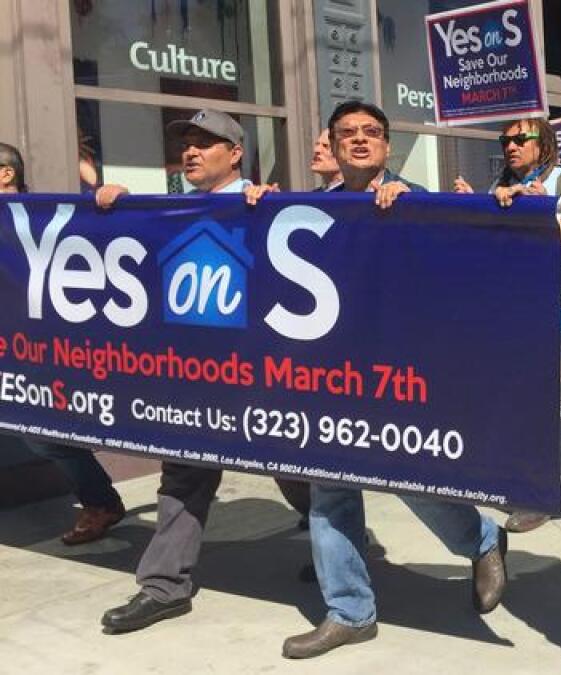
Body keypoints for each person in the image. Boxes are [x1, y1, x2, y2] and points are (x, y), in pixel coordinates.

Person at [253, 102, 508, 660]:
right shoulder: (310, 207)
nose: (360, 140)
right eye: (348, 133)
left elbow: (462, 266)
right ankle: (350, 611)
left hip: (399, 376)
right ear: (334, 145)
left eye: (371, 133)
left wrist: (417, 213)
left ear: (388, 147)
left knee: (413, 480)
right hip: (331, 377)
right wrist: (255, 209)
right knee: (329, 491)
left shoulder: (415, 197)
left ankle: (483, 540)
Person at [96, 109, 312, 633]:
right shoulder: (168, 210)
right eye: (186, 143)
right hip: (193, 376)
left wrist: (269, 208)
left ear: (235, 153)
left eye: (205, 142)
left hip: (260, 375)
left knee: (296, 468)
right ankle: (164, 586)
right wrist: (110, 207)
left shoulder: (266, 206)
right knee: (184, 474)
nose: (191, 152)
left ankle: (341, 545)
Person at [455, 117, 561, 534]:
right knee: (517, 400)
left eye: (521, 138)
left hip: (553, 311)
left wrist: (543, 211)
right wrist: (470, 206)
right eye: (506, 139)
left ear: (543, 143)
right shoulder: (496, 183)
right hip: (506, 312)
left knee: (534, 403)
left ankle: (540, 494)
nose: (511, 145)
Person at [0, 142, 130, 545]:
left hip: (34, 345)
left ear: (6, 174)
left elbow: (102, 237)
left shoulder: (42, 216)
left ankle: (100, 502)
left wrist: (116, 198)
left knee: (41, 435)